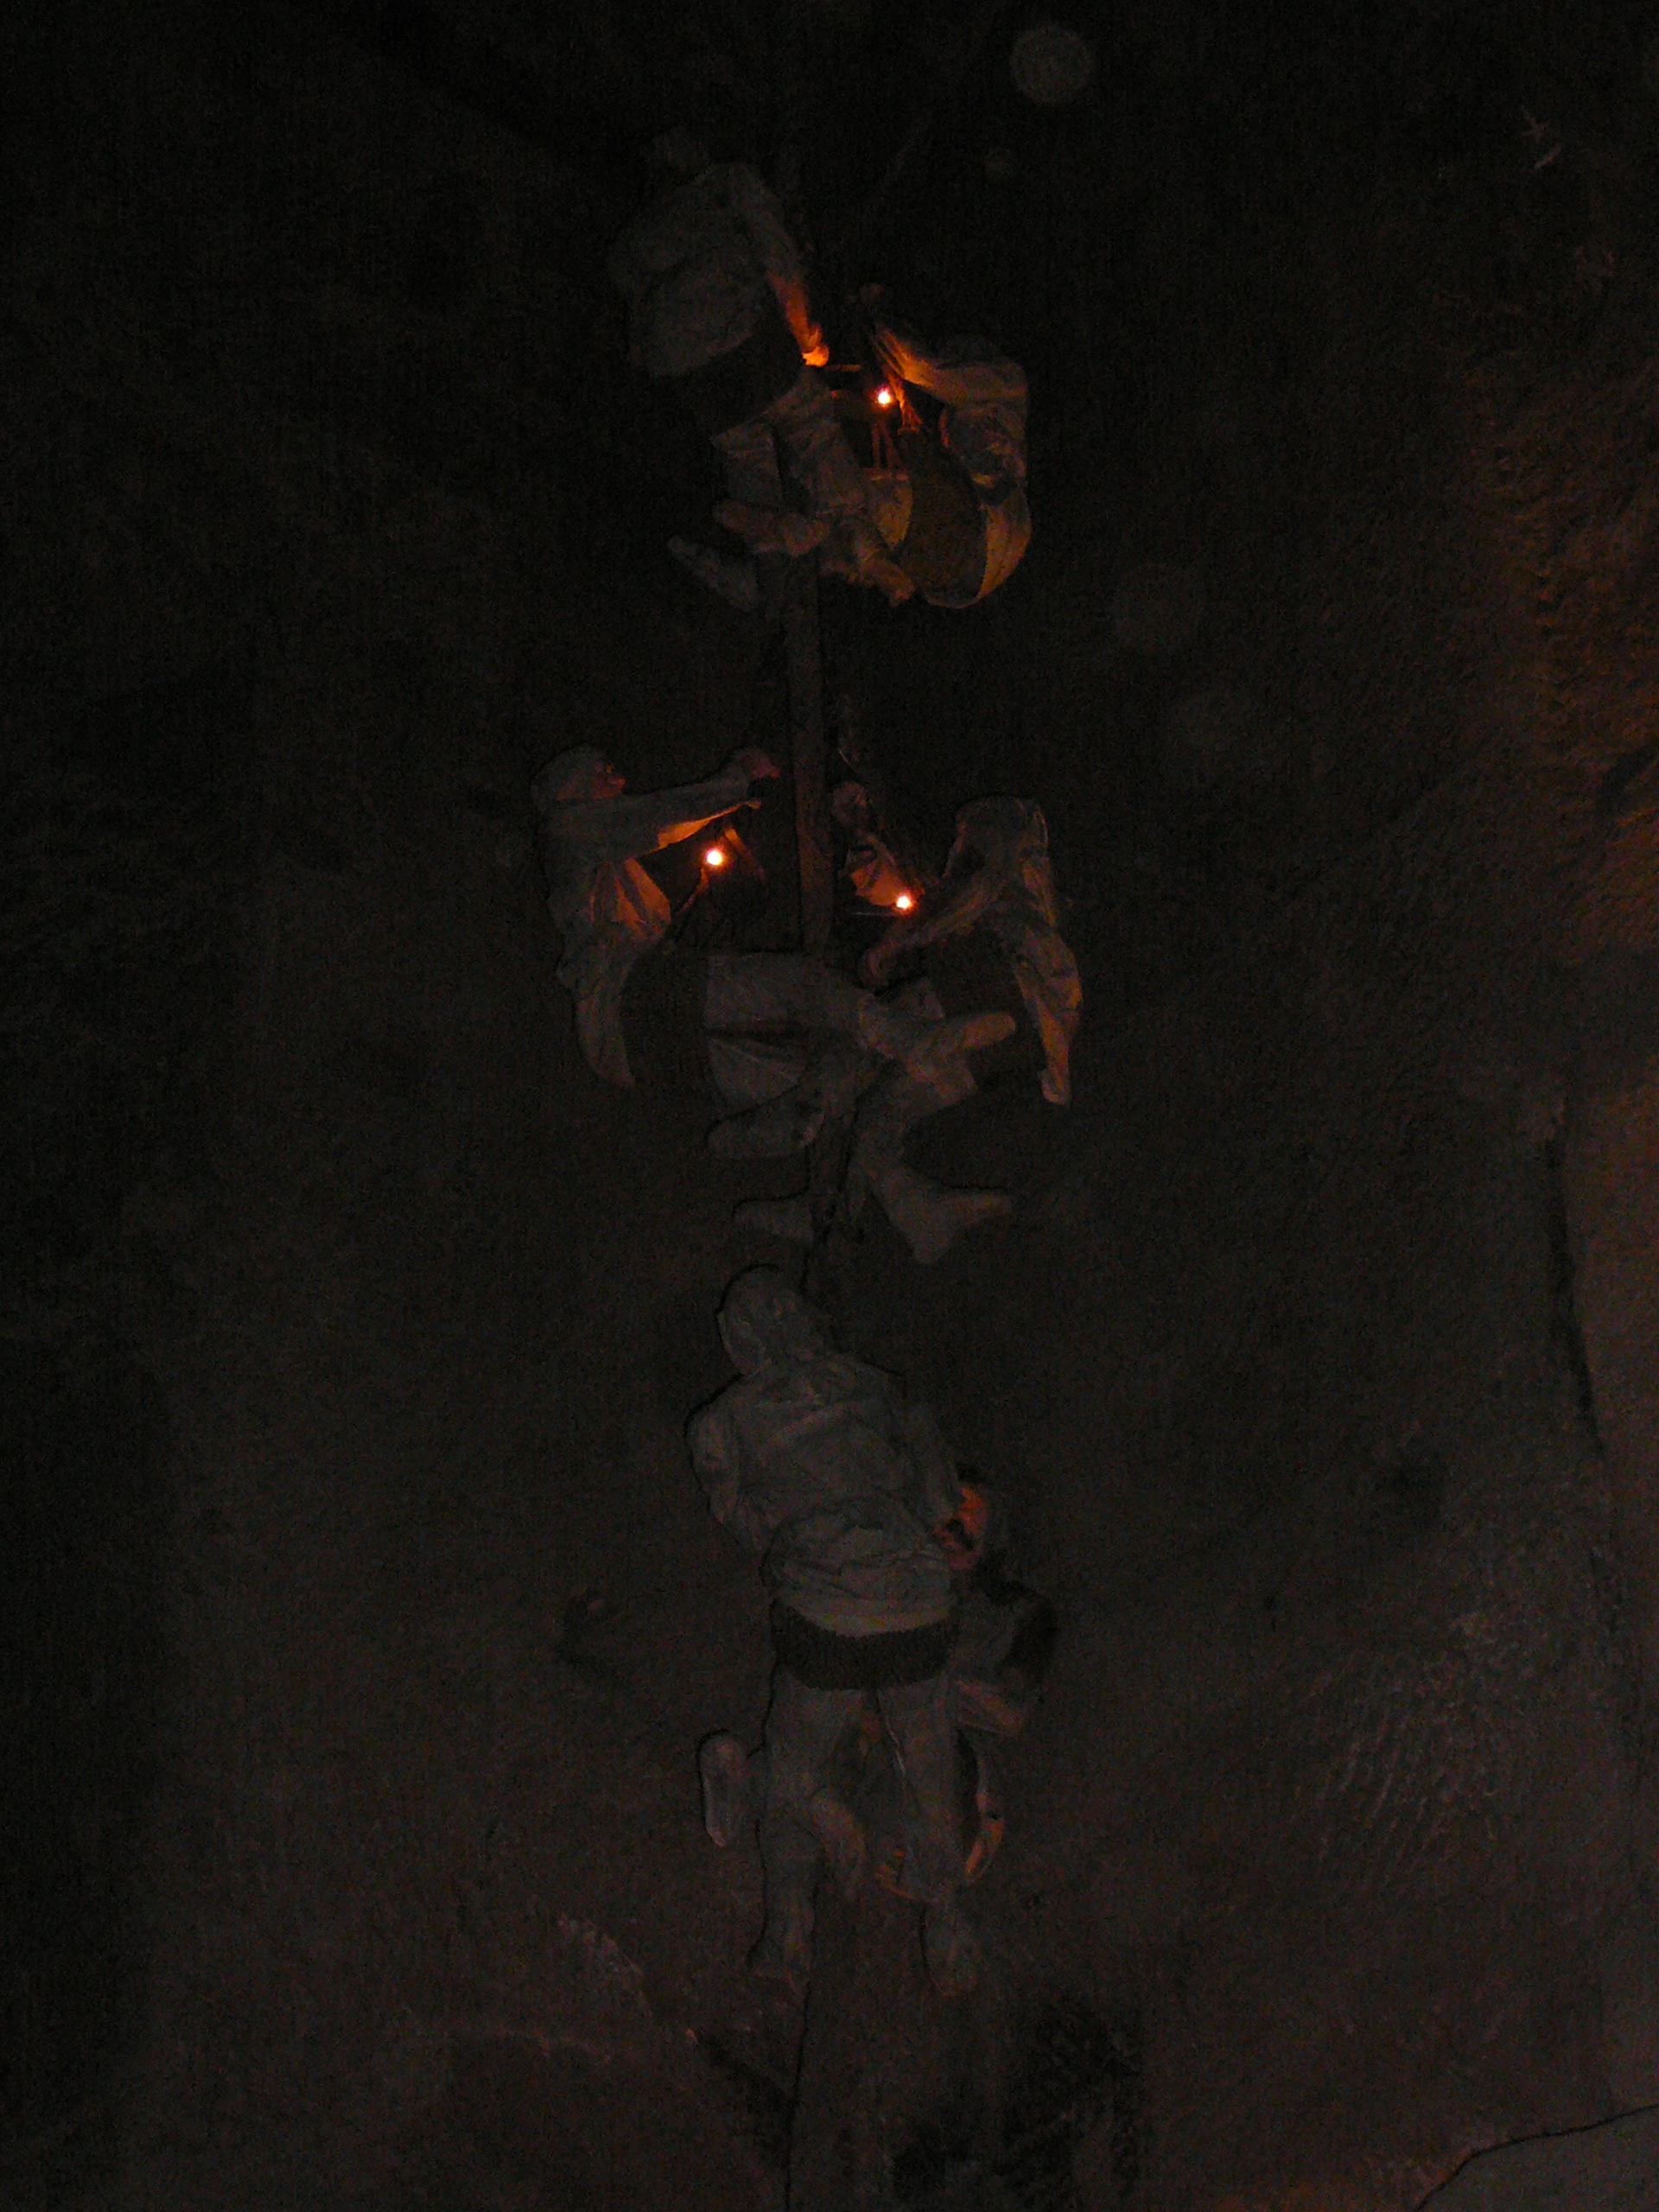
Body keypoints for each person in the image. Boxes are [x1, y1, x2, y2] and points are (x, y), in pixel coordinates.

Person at [688, 1268, 982, 2001]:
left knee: (795, 1763)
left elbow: (748, 1527)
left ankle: (788, 1933)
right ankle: (948, 1929)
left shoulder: (720, 1423)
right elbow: (941, 1500)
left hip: (824, 1620)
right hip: (916, 1606)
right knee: (930, 1768)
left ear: (738, 1340)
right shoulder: (880, 1386)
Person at [607, 137, 912, 610]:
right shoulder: (726, 186)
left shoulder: (632, 240)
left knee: (747, 459)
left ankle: (766, 570)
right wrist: (807, 340)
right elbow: (780, 260)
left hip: (690, 371)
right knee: (812, 426)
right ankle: (853, 533)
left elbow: (633, 312)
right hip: (744, 338)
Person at [531, 741, 779, 1088]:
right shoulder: (568, 827)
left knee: (774, 1068)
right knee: (785, 991)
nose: (619, 782)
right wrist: (739, 780)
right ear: (570, 784)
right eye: (604, 771)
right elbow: (658, 817)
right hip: (626, 998)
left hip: (626, 1033)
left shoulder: (613, 873)